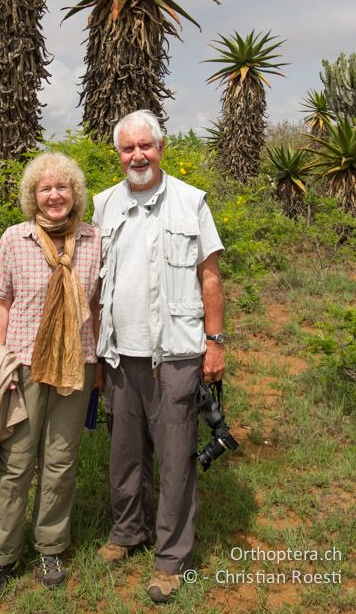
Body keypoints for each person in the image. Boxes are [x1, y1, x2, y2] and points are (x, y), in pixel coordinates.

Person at [93, 110, 225, 604]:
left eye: (145, 146)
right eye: (128, 149)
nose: (137, 156)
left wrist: (215, 343)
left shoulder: (191, 202)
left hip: (177, 351)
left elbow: (209, 277)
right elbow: (93, 284)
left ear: (162, 148)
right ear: (118, 155)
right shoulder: (103, 205)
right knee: (124, 453)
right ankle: (129, 532)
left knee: (174, 458)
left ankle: (171, 557)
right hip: (119, 353)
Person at [0, 152, 102, 602]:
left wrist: (99, 364)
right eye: (45, 188)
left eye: (62, 187)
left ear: (75, 193)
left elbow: (98, 307)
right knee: (16, 463)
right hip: (23, 364)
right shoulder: (15, 238)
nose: (54, 195)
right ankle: (0, 557)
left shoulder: (93, 240)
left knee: (61, 462)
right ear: (33, 196)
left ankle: (50, 546)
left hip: (76, 364)